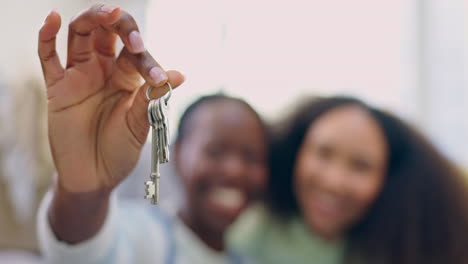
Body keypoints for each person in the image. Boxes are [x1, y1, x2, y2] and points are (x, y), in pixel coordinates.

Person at [36, 5, 267, 264]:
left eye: (251, 157)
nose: (235, 170)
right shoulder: (147, 236)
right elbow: (84, 252)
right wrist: (84, 191)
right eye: (214, 151)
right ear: (178, 154)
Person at [230, 96, 468, 264]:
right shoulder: (247, 231)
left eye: (360, 166)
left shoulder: (407, 251)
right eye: (323, 153)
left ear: (389, 181)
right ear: (296, 152)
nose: (334, 181)